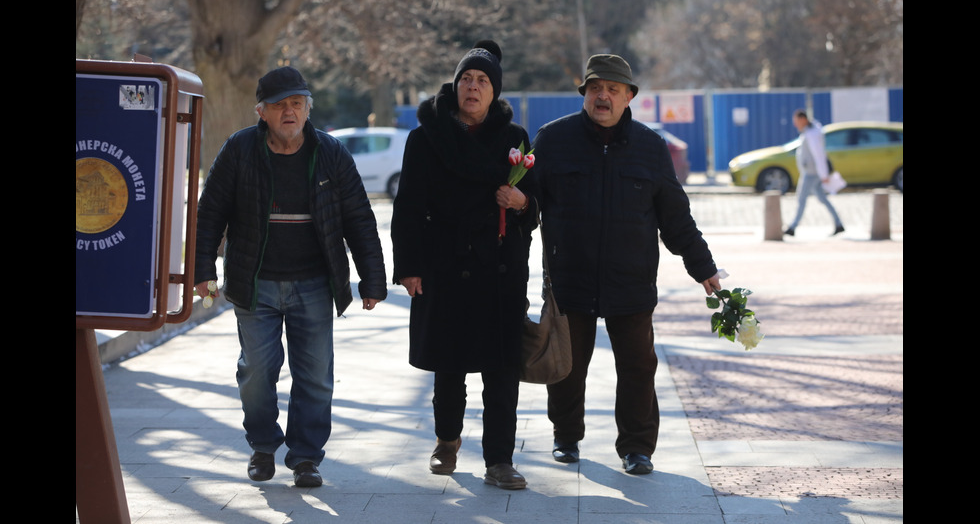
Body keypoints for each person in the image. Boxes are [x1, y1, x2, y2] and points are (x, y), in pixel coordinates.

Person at [194, 66, 387, 488]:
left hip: (315, 283)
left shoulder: (331, 153)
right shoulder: (240, 150)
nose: (289, 112)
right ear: (261, 112)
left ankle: (305, 457)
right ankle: (263, 448)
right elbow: (209, 213)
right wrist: (202, 270)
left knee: (316, 375)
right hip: (255, 281)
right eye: (279, 105)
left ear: (307, 109)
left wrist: (373, 278)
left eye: (296, 104)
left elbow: (358, 218)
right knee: (256, 373)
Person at [532, 54, 721, 475]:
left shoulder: (650, 147)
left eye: (613, 90)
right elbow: (527, 204)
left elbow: (675, 216)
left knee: (638, 367)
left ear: (629, 96)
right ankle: (566, 437)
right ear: (585, 94)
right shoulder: (552, 140)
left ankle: (637, 448)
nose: (604, 96)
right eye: (596, 88)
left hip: (631, 281)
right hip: (570, 277)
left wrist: (703, 267)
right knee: (567, 365)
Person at [390, 40, 536, 490]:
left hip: (499, 269)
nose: (472, 88)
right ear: (454, 87)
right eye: (466, 79)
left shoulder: (514, 140)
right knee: (448, 364)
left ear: (495, 93)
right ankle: (446, 443)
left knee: (501, 370)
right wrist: (409, 266)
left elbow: (535, 211)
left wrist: (520, 201)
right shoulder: (426, 136)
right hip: (444, 264)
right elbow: (409, 206)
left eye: (482, 81)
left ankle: (499, 460)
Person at [783, 109, 845, 237]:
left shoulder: (811, 134)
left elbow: (818, 155)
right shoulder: (810, 131)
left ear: (803, 119)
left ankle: (792, 227)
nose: (795, 125)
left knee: (801, 199)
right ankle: (839, 224)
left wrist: (824, 175)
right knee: (822, 198)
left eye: (797, 121)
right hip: (812, 172)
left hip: (811, 173)